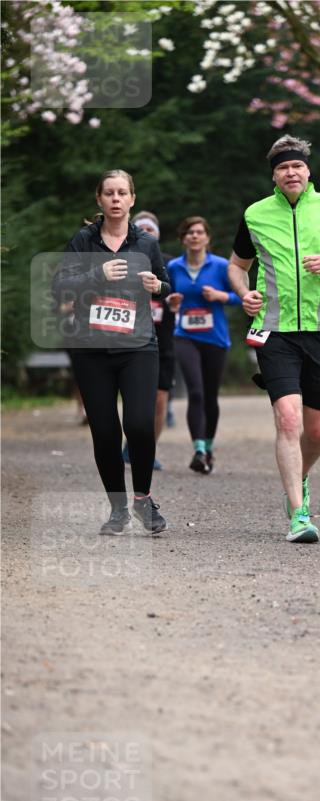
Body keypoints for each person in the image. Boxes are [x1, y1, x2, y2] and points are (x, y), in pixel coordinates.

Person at [227, 134, 320, 543]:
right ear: (274, 175)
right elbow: (236, 266)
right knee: (287, 419)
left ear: (308, 171)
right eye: (282, 168)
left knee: (319, 432)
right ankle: (298, 513)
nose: (290, 173)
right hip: (275, 332)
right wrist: (244, 293)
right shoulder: (255, 214)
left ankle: (301, 477)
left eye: (297, 166)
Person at [52, 169, 169, 534]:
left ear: (132, 199)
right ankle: (118, 508)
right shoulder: (84, 241)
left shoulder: (146, 243)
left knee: (138, 423)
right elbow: (59, 287)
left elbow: (167, 285)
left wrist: (157, 284)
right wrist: (96, 274)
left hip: (137, 347)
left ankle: (143, 500)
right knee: (104, 431)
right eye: (109, 193)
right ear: (99, 200)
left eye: (122, 193)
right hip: (92, 349)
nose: (116, 199)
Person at [167, 216, 240, 474]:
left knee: (210, 395)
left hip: (215, 338)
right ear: (183, 238)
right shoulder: (174, 267)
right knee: (195, 391)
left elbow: (243, 296)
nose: (195, 236)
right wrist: (172, 304)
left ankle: (208, 447)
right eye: (190, 232)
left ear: (207, 238)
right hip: (185, 335)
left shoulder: (221, 266)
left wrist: (222, 296)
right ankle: (198, 448)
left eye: (199, 232)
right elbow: (168, 298)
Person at [125, 210, 175, 470]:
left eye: (151, 230)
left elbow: (176, 294)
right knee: (131, 398)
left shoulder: (169, 264)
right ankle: (129, 443)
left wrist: (174, 301)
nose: (147, 234)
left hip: (162, 340)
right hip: (130, 338)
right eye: (142, 229)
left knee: (159, 401)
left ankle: (148, 451)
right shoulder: (123, 261)